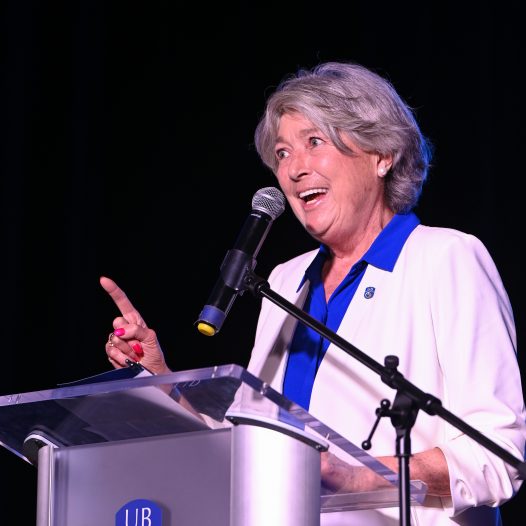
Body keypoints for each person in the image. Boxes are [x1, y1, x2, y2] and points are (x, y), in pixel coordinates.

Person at [100, 61, 526, 525]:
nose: (294, 169)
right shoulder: (286, 280)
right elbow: (249, 443)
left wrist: (353, 476)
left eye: (314, 142)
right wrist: (160, 378)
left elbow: (496, 454)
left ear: (382, 155)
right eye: (282, 153)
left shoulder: (446, 258)